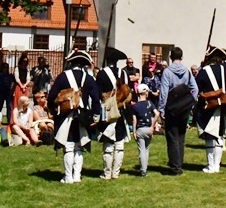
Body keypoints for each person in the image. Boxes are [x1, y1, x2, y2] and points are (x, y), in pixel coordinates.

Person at [47, 49, 100, 184]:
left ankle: (68, 177)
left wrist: (53, 110)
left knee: (69, 147)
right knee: (79, 146)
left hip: (66, 116)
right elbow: (95, 99)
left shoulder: (62, 76)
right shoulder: (88, 78)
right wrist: (96, 116)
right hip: (83, 116)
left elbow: (52, 96)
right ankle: (77, 176)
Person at [195, 46, 226, 174]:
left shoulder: (204, 71)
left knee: (210, 136)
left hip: (209, 106)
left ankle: (211, 166)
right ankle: (217, 165)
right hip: (225, 106)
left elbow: (196, 87)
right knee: (220, 136)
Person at [158, 46, 198, 176]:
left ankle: (175, 167)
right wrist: (191, 102)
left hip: (172, 107)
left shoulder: (167, 72)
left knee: (172, 137)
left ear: (170, 57)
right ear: (181, 57)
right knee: (181, 136)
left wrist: (161, 110)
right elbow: (195, 88)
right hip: (184, 107)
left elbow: (164, 92)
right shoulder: (187, 71)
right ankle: (179, 163)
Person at [95, 47, 131, 180]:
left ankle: (107, 173)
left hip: (108, 112)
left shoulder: (102, 74)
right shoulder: (124, 73)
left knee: (108, 144)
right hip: (121, 111)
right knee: (119, 144)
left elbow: (98, 94)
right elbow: (127, 92)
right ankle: (116, 172)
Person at [131, 84, 159, 177]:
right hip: (149, 129)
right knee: (146, 149)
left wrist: (134, 131)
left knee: (142, 150)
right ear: (146, 93)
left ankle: (143, 170)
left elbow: (134, 120)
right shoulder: (150, 103)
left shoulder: (135, 106)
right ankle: (145, 168)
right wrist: (152, 126)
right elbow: (157, 114)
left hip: (140, 129)